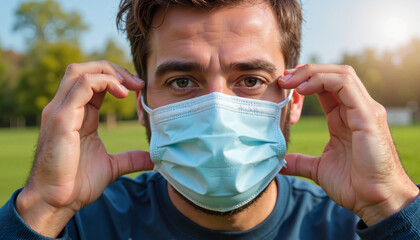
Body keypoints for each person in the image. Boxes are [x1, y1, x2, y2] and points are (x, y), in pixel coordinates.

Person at [1, 0, 419, 239]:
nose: (218, 110)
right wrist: (44, 207)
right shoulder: (81, 227)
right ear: (141, 104)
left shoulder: (359, 228)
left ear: (294, 100)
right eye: (182, 81)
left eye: (250, 79)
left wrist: (390, 204)